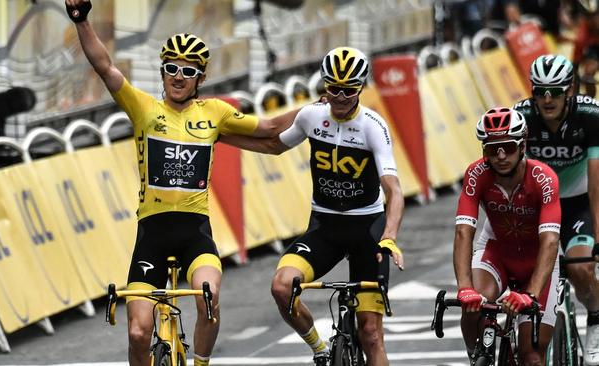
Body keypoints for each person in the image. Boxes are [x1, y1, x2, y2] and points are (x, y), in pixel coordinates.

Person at [64, 1, 299, 365]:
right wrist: (81, 20)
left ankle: (201, 363)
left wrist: (319, 106)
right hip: (151, 237)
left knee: (208, 296)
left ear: (200, 78)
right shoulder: (144, 109)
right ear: (161, 73)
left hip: (195, 235)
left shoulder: (214, 112)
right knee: (138, 333)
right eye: (171, 68)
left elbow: (268, 130)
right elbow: (105, 66)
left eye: (188, 71)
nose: (178, 76)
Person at [221, 47, 405, 366]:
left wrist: (389, 236)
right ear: (323, 84)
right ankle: (320, 349)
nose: (341, 96)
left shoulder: (373, 126)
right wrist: (221, 138)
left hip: (368, 231)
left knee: (371, 334)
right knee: (281, 287)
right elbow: (273, 145)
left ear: (361, 87)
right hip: (325, 228)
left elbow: (395, 190)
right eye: (333, 88)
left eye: (349, 89)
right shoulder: (311, 116)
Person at [453, 107, 561, 364]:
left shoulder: (543, 178)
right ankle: (479, 357)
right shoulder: (476, 174)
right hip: (497, 252)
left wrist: (530, 293)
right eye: (492, 149)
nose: (500, 156)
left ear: (522, 146)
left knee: (531, 356)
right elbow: (463, 232)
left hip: (538, 261)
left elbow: (550, 241)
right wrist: (465, 288)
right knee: (473, 305)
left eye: (508, 148)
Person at [513, 54, 599, 365]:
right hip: (539, 206)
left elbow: (596, 184)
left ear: (570, 90)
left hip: (579, 204)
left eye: (556, 91)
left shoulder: (590, 116)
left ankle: (596, 315)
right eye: (540, 91)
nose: (547, 99)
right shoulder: (521, 119)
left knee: (579, 268)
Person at [573, 0, 599, 97]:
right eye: (590, 18)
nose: (594, 21)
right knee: (588, 74)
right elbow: (575, 65)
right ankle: (589, 102)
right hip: (594, 50)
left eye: (596, 16)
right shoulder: (582, 36)